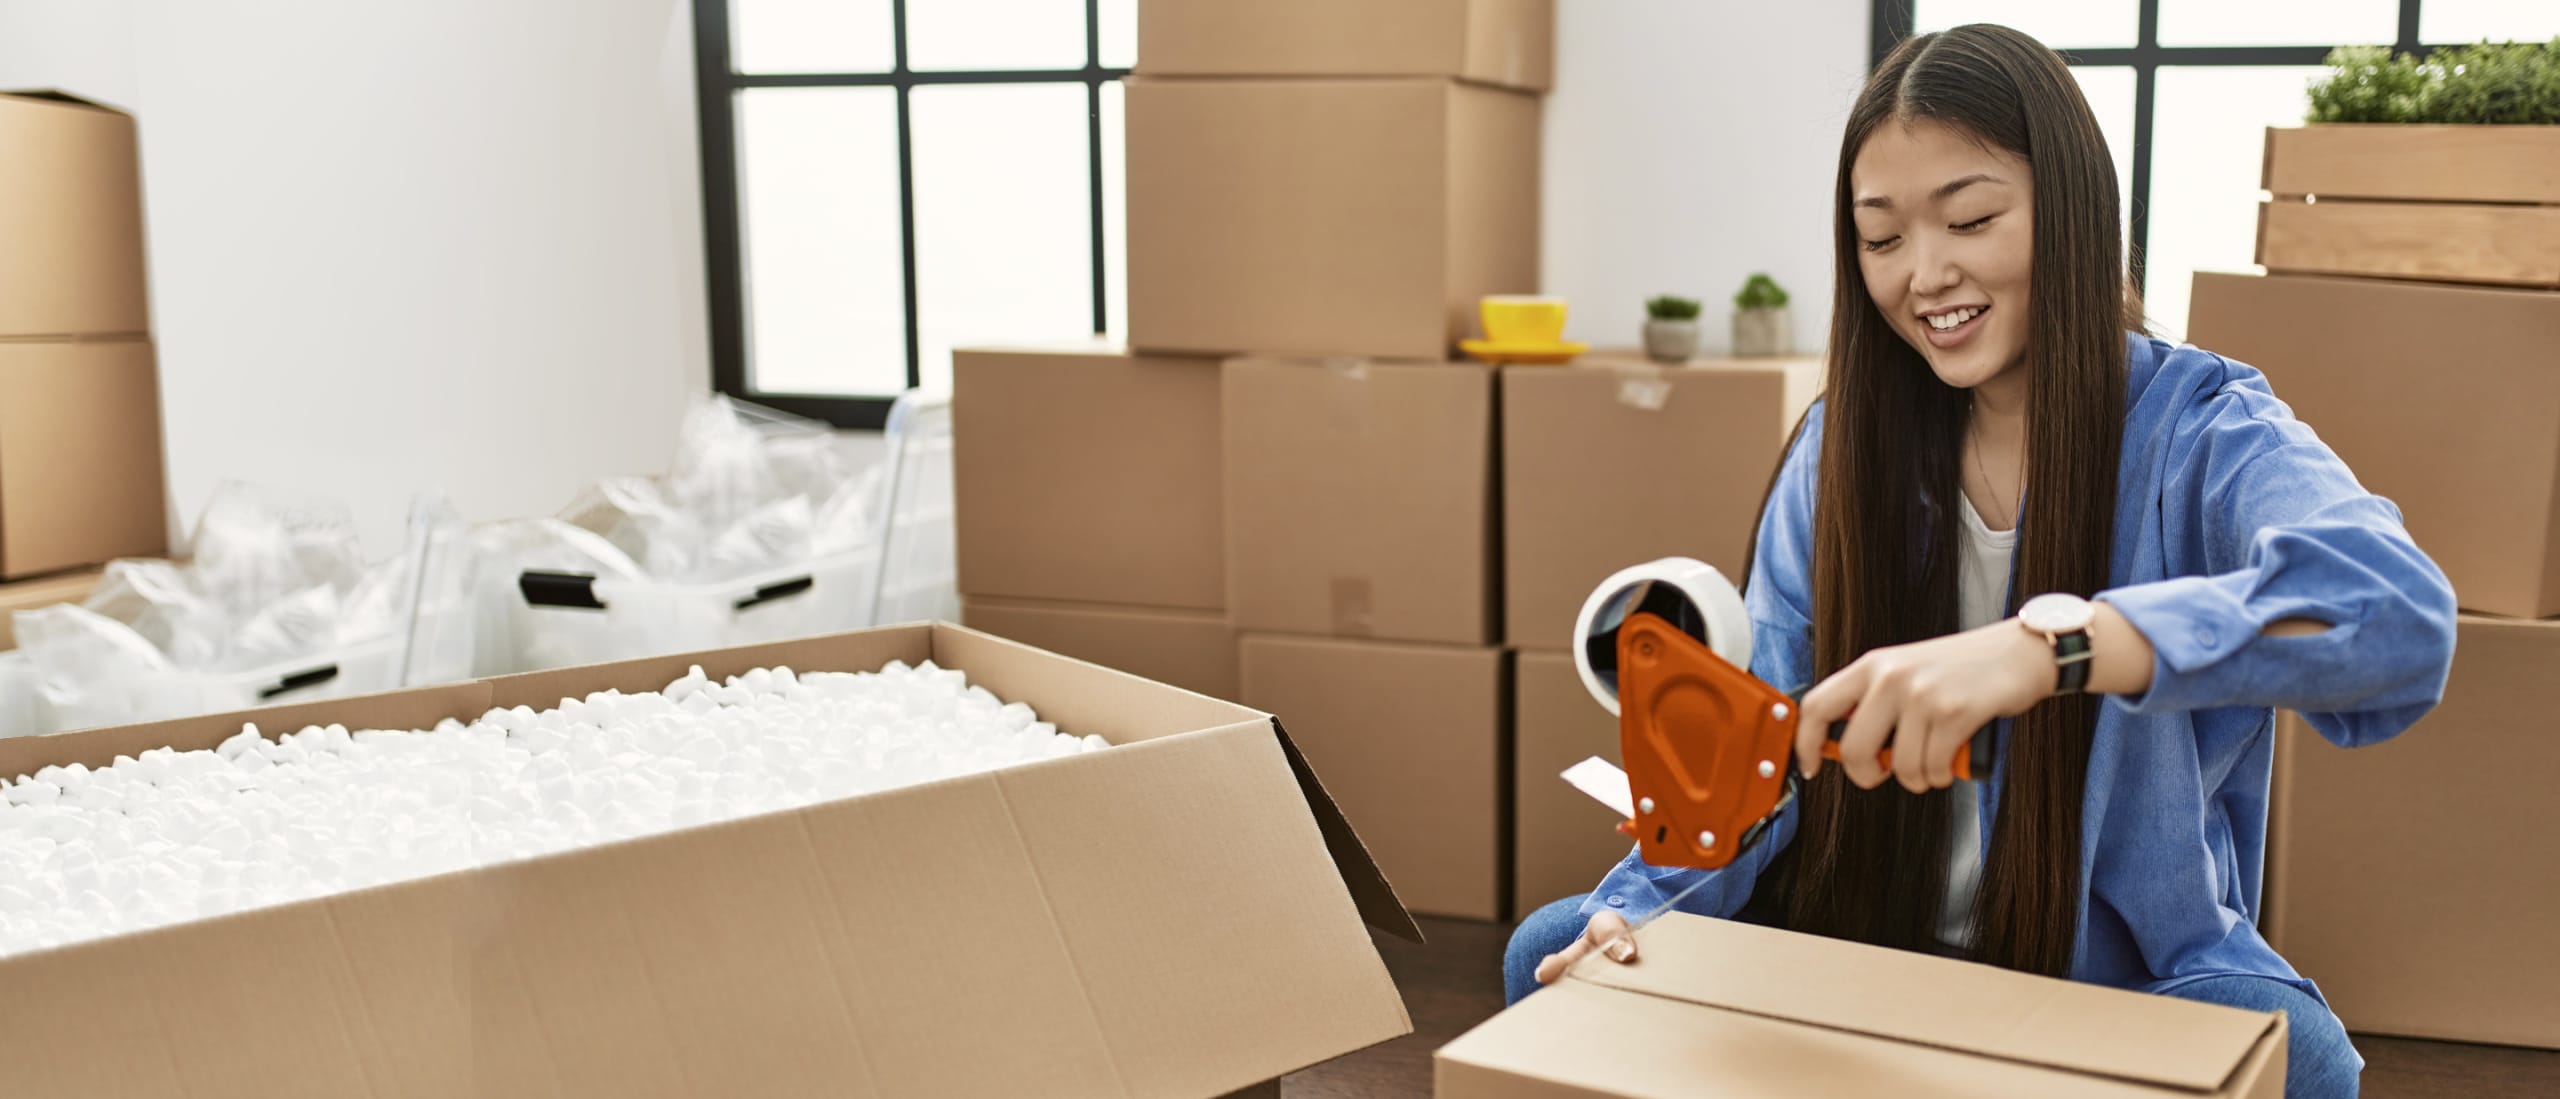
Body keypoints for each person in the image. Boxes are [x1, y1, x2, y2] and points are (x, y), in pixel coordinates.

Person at [1502, 23, 2454, 1099]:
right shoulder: (1839, 444)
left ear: (2073, 207)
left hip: (2102, 988)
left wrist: (2057, 648)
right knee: (1556, 947)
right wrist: (1641, 905)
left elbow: (2396, 620)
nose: (1925, 274)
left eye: (1970, 218)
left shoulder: (2204, 428)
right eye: (1881, 238)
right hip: (1846, 946)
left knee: (2297, 1054)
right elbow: (1749, 734)